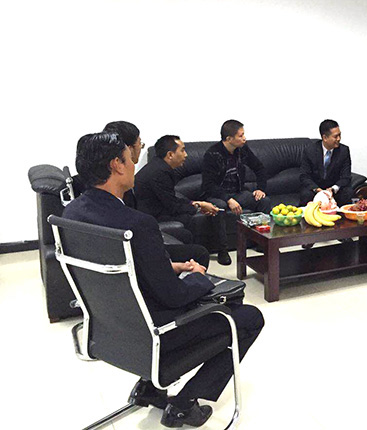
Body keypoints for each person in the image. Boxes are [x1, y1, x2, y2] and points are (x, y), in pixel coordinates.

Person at [64, 132, 264, 428]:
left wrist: (171, 266)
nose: (134, 164)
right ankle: (184, 404)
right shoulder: (136, 224)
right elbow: (173, 297)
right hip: (155, 334)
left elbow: (128, 269)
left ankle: (150, 389)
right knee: (247, 316)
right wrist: (199, 278)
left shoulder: (71, 213)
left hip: (107, 333)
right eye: (130, 158)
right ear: (116, 165)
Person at [72, 121, 210, 267]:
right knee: (198, 253)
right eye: (140, 144)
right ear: (121, 158)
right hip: (138, 248)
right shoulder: (129, 208)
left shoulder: (74, 209)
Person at [134, 135, 233, 265]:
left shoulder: (158, 166)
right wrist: (198, 207)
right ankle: (193, 258)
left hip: (157, 208)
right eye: (182, 150)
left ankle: (221, 251)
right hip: (152, 215)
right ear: (170, 155)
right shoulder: (161, 172)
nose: (186, 155)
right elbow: (172, 206)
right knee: (197, 216)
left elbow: (171, 199)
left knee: (215, 207)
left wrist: (197, 204)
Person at [201, 120, 272, 242]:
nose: (244, 138)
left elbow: (259, 168)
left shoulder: (242, 149)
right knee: (220, 207)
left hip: (238, 192)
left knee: (264, 201)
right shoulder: (212, 154)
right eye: (241, 136)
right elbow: (208, 185)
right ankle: (222, 248)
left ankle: (262, 243)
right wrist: (228, 199)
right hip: (217, 195)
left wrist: (260, 189)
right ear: (229, 139)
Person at [299, 119, 353, 206]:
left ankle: (340, 215)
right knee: (306, 194)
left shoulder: (344, 151)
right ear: (325, 138)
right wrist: (317, 190)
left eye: (339, 135)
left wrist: (333, 189)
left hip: (334, 188)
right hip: (316, 188)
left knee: (347, 192)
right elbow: (304, 176)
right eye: (335, 136)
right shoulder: (310, 151)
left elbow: (346, 176)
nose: (339, 139)